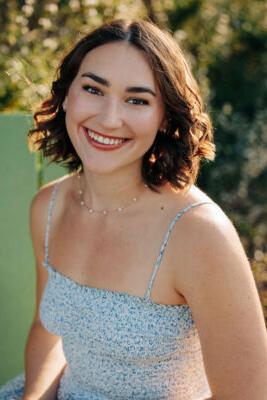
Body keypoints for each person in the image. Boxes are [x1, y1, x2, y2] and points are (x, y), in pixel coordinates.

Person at [1, 17, 267, 400]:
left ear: (164, 118)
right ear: (67, 95)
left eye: (138, 100)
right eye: (93, 89)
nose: (110, 118)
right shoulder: (49, 207)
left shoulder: (198, 233)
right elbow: (47, 332)